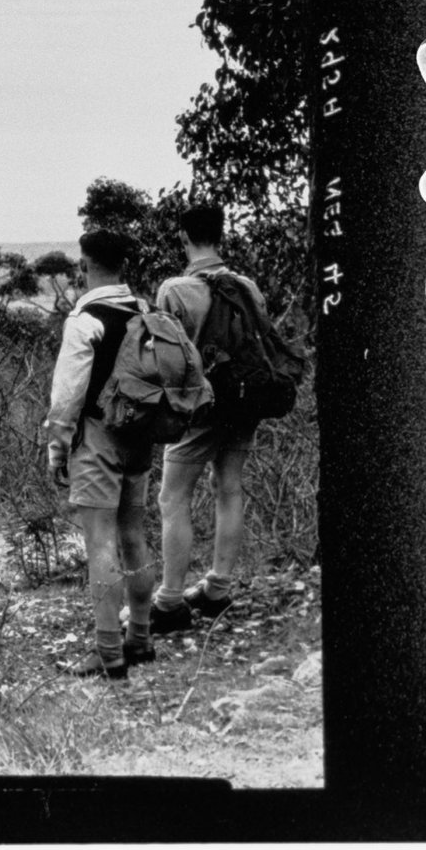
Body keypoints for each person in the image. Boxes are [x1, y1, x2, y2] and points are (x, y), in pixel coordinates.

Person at [151, 202, 272, 632]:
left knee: (173, 497)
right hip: (243, 402)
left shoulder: (175, 290)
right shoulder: (248, 287)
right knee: (230, 488)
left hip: (199, 409)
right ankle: (217, 588)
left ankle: (169, 600)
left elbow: (167, 362)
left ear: (183, 237)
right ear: (222, 235)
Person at [43, 230, 158, 680]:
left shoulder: (84, 320)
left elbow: (66, 397)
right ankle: (142, 638)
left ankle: (109, 652)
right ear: (123, 265)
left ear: (84, 264)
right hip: (140, 436)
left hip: (96, 438)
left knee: (100, 544)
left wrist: (57, 449)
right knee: (135, 534)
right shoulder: (145, 310)